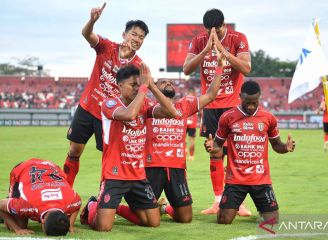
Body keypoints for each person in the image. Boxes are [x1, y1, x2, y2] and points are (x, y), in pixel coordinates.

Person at [80, 63, 178, 231]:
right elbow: (129, 114)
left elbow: (171, 112)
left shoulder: (144, 104)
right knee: (103, 227)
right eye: (133, 85)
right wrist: (144, 89)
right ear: (119, 86)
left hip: (138, 175)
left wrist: (152, 86)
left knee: (152, 222)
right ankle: (92, 207)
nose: (137, 88)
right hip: (115, 174)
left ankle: (114, 207)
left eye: (139, 84)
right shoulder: (109, 104)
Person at [63, 2, 149, 187]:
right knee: (74, 150)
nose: (137, 39)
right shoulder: (107, 47)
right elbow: (86, 34)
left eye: (141, 37)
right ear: (124, 34)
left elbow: (140, 92)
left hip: (111, 116)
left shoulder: (139, 66)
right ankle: (66, 189)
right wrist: (92, 20)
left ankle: (105, 199)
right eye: (134, 34)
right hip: (88, 106)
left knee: (110, 158)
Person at [145, 43, 224, 223]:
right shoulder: (147, 106)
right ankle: (115, 206)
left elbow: (211, 95)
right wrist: (148, 85)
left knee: (185, 218)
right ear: (155, 86)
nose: (169, 83)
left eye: (171, 82)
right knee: (147, 219)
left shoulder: (184, 105)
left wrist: (219, 67)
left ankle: (163, 207)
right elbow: (164, 110)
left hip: (176, 168)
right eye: (164, 81)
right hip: (151, 167)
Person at [183, 8, 252, 215]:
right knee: (215, 152)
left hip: (233, 105)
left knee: (234, 153)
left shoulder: (238, 38)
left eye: (219, 30)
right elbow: (186, 69)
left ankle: (237, 201)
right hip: (211, 104)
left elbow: (246, 68)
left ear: (224, 25)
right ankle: (217, 201)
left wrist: (221, 48)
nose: (215, 35)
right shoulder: (198, 41)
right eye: (211, 31)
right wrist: (206, 51)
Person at [204, 80, 295, 224]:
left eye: (254, 102)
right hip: (235, 180)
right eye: (248, 102)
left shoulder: (268, 118)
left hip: (261, 179)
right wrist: (211, 146)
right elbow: (218, 144)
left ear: (260, 97)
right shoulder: (228, 117)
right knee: (223, 220)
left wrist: (285, 147)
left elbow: (276, 145)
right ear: (240, 96)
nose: (251, 106)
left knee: (272, 221)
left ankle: (262, 210)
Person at [0, 158, 82, 236]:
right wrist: (17, 229)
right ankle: (10, 204)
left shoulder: (70, 201)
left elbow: (78, 204)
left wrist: (70, 226)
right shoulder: (27, 205)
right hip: (23, 168)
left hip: (50, 167)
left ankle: (11, 206)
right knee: (20, 224)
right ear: (42, 221)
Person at [186, 87, 198, 161]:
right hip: (192, 122)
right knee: (192, 141)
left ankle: (183, 151)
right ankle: (191, 156)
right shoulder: (196, 100)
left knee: (182, 139)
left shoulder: (183, 99)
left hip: (184, 121)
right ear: (194, 92)